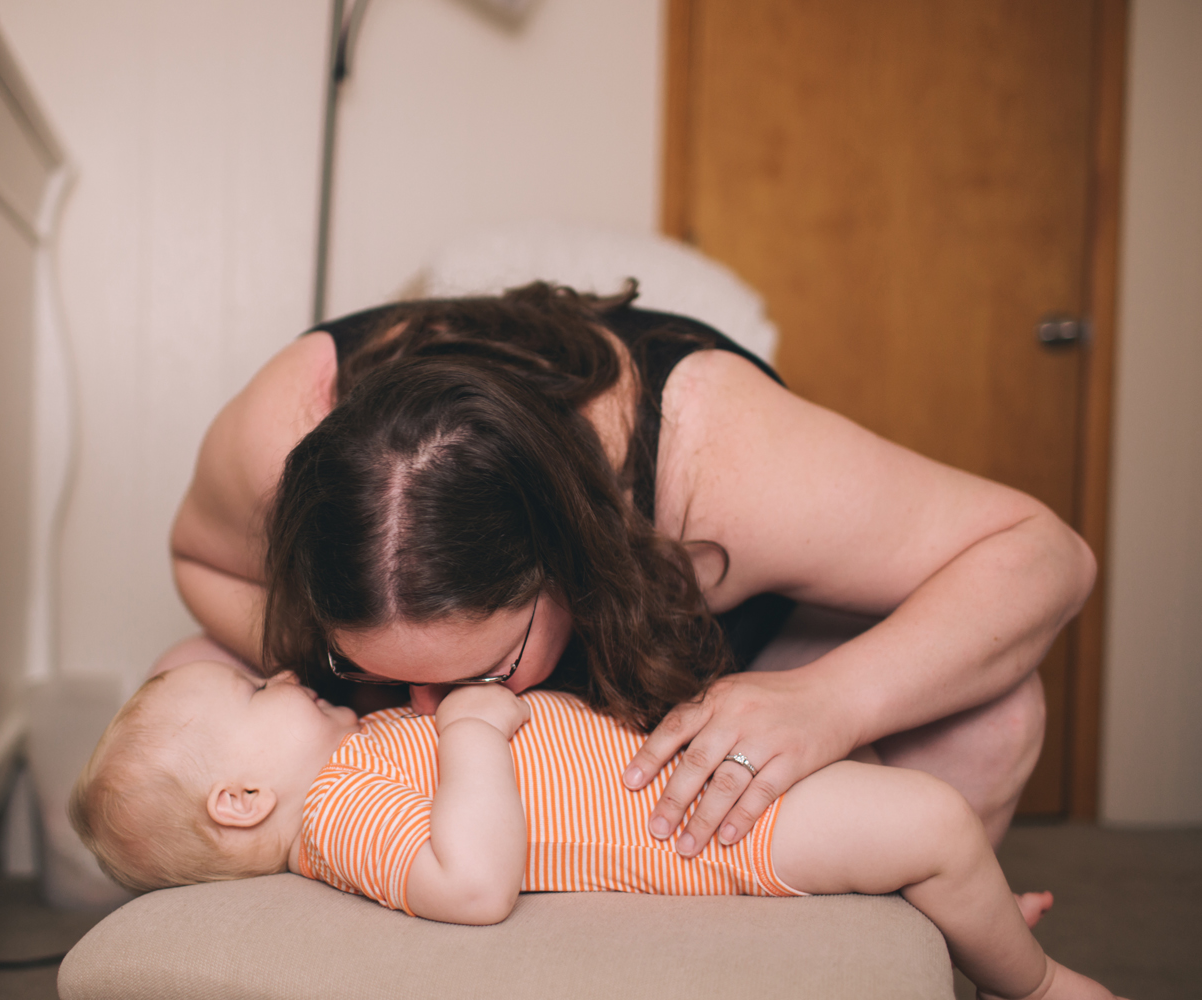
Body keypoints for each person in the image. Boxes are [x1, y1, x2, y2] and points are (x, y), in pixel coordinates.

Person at [168, 282, 1095, 855]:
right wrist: (332, 679)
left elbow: (1045, 554)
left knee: (993, 710)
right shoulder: (281, 428)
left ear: (572, 567)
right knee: (183, 686)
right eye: (382, 668)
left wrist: (830, 701)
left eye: (479, 674)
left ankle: (937, 929)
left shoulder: (722, 460)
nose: (433, 717)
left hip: (706, 655)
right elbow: (195, 556)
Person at [69, 659, 1116, 1000]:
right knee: (930, 820)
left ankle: (977, 922)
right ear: (241, 801)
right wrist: (473, 730)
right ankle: (1036, 979)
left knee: (892, 808)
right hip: (707, 834)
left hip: (676, 775)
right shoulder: (336, 815)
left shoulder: (348, 760)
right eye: (260, 687)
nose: (287, 671)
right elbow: (472, 882)